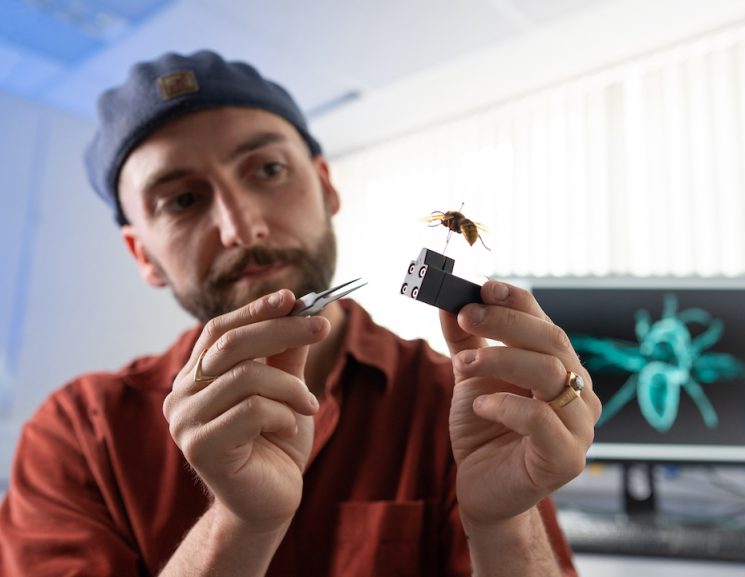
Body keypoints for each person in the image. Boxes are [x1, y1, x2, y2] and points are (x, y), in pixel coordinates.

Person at [0, 50, 601, 576]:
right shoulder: (77, 436)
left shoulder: (467, 406)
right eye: (183, 200)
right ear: (143, 255)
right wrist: (239, 524)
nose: (243, 227)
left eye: (267, 170)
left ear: (325, 187)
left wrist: (503, 526)